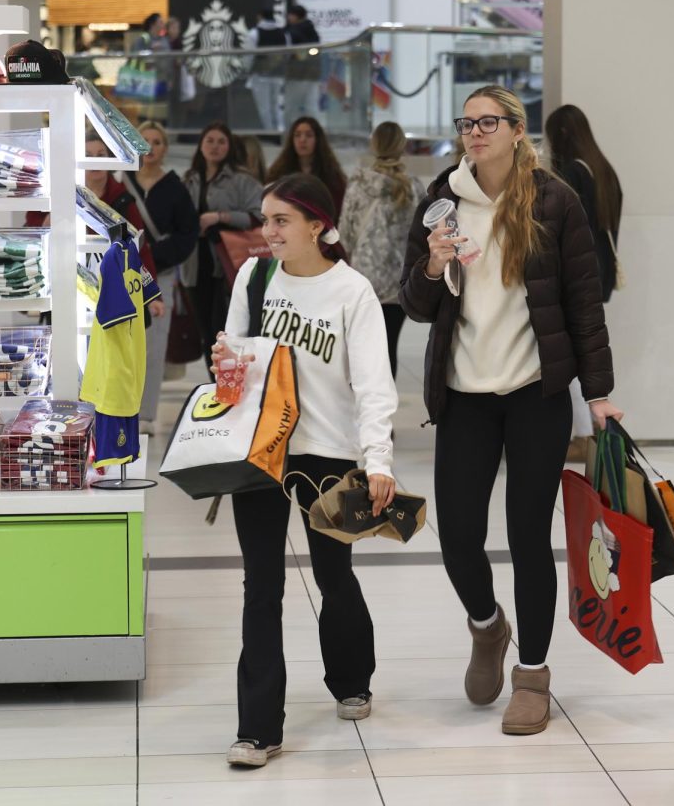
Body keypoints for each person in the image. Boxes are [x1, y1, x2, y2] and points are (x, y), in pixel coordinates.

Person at [399, 85, 621, 736]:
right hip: (464, 396)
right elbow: (413, 300)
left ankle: (533, 674)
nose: (475, 132)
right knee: (460, 537)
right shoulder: (442, 199)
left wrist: (599, 391)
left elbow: (585, 302)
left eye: (488, 122)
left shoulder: (555, 200)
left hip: (536, 394)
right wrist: (433, 267)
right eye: (467, 123)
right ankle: (487, 625)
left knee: (529, 537)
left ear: (517, 130)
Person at [218, 172, 398, 769]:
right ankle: (258, 727)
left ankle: (352, 678)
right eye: (265, 220)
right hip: (262, 449)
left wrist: (378, 460)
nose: (266, 233)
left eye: (280, 221)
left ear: (317, 225)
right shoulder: (256, 276)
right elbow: (234, 367)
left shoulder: (353, 292)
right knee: (260, 586)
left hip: (329, 451)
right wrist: (225, 359)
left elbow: (374, 385)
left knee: (333, 575)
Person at [543, 103, 624, 460]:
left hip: (576, 276)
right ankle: (585, 432)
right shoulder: (604, 169)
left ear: (560, 136)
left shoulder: (574, 174)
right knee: (582, 352)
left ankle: (579, 436)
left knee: (569, 359)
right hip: (600, 272)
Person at [121, 121, 200, 430]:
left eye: (156, 142)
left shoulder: (174, 186)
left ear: (165, 148)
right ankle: (118, 408)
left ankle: (145, 414)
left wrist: (156, 255)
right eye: (145, 141)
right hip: (122, 273)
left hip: (160, 275)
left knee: (153, 345)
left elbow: (187, 233)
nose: (150, 147)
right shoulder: (121, 182)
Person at [338, 121, 422, 378]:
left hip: (363, 280)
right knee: (388, 349)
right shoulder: (414, 187)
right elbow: (420, 235)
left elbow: (345, 234)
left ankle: (359, 409)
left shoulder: (359, 185)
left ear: (373, 145)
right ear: (402, 146)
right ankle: (383, 410)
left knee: (362, 351)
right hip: (399, 283)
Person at [182, 121, 263, 370]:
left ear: (230, 146)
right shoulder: (190, 178)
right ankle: (214, 383)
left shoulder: (241, 180)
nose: (215, 146)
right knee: (206, 330)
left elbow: (259, 214)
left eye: (221, 141)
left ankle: (229, 382)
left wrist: (220, 217)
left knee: (224, 329)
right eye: (210, 140)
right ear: (201, 145)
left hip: (229, 262)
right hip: (195, 263)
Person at [266, 117, 348, 222]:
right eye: (297, 135)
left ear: (317, 140)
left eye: (308, 135)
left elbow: (337, 211)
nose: (302, 140)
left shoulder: (332, 177)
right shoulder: (279, 174)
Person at [247, 8, 288, 132]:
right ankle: (280, 130)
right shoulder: (283, 33)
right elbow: (286, 54)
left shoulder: (254, 33)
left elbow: (248, 55)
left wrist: (247, 70)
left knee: (264, 107)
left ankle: (270, 132)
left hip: (260, 75)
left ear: (260, 16)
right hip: (278, 74)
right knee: (277, 106)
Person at [285, 5, 322, 121]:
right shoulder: (311, 30)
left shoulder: (293, 32)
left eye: (290, 15)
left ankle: (291, 131)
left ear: (295, 15)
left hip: (297, 73)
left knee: (292, 106)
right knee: (311, 104)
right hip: (312, 73)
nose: (288, 17)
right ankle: (315, 129)